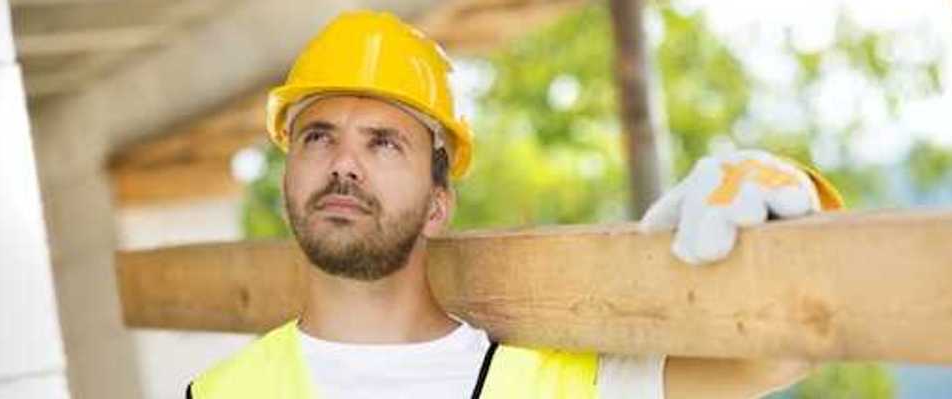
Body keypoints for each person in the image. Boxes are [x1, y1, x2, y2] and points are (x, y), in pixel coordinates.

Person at [188, 10, 844, 399]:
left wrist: (798, 207)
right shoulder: (219, 394)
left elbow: (780, 355)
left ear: (438, 202)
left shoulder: (542, 385)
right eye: (317, 136)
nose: (343, 163)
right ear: (286, 177)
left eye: (384, 142)